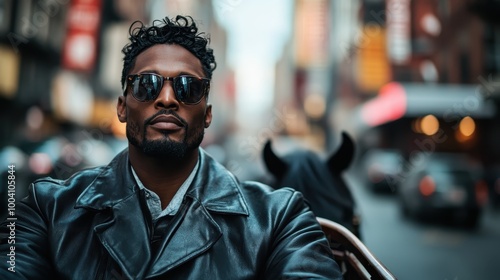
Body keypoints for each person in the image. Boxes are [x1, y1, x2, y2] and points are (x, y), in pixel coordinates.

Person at [0, 15, 342, 279]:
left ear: (207, 114)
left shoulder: (279, 218)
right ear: (122, 107)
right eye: (147, 85)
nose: (166, 98)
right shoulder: (47, 209)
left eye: (187, 88)